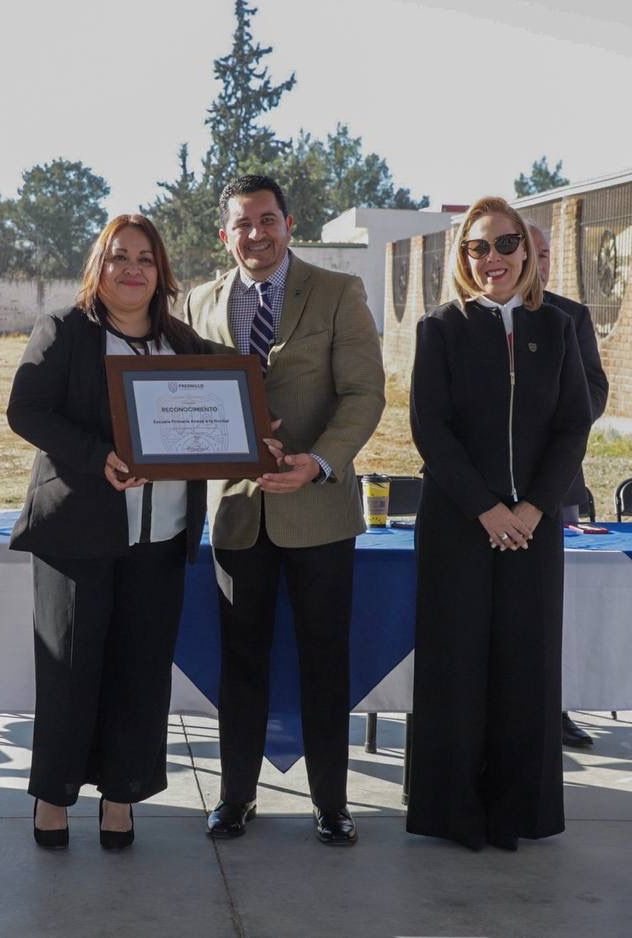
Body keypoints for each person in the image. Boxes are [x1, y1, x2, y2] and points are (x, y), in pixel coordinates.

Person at [184, 175, 385, 845]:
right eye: (242, 224)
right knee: (241, 665)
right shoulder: (199, 303)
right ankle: (235, 798)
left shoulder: (337, 293)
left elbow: (363, 394)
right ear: (226, 235)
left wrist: (319, 461)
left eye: (267, 220)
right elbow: (188, 401)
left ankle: (332, 804)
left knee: (324, 663)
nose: (256, 234)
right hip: (239, 518)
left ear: (288, 223)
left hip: (320, 510)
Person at [8, 214, 212, 851]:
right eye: (119, 256)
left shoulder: (185, 343)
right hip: (78, 534)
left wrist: (251, 434)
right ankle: (53, 795)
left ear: (162, 272)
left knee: (142, 670)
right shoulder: (66, 331)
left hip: (162, 534)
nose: (132, 269)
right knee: (71, 668)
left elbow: (220, 415)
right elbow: (25, 410)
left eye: (145, 258)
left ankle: (123, 796)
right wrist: (98, 454)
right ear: (98, 267)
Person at [406, 196, 592, 850]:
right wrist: (488, 509)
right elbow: (432, 430)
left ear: (527, 251)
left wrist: (532, 508)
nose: (493, 260)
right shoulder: (441, 328)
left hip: (533, 526)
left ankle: (520, 812)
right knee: (456, 668)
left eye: (505, 244)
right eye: (478, 247)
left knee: (527, 669)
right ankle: (453, 813)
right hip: (460, 524)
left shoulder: (560, 327)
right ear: (463, 256)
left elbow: (574, 424)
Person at [529, 223, 609, 750]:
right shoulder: (462, 321)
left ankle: (552, 712)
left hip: (555, 487)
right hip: (485, 493)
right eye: (525, 249)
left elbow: (594, 391)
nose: (537, 262)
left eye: (544, 253)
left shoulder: (570, 316)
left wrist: (550, 431)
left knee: (548, 609)